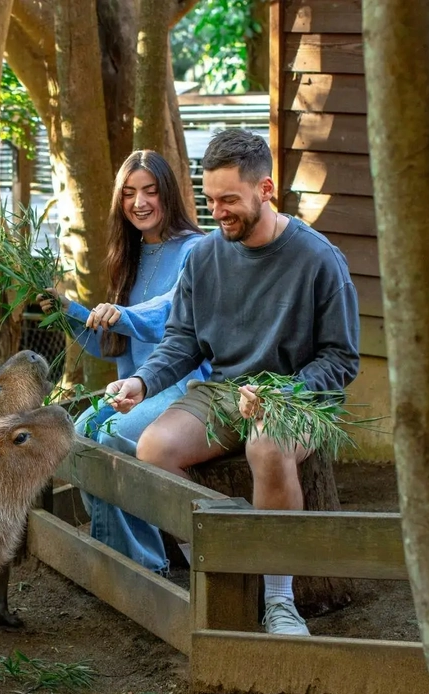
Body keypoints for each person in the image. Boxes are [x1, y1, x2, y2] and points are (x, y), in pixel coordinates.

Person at [105, 128, 360, 635]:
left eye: (229, 200)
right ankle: (221, 563)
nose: (217, 212)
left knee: (267, 449)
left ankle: (279, 601)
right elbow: (182, 342)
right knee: (153, 448)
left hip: (296, 399)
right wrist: (142, 382)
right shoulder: (203, 257)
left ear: (266, 190)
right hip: (223, 393)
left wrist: (284, 395)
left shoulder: (319, 259)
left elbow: (341, 358)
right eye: (209, 199)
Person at [41, 149, 209, 574]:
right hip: (135, 385)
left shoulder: (198, 250)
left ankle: (143, 567)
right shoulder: (129, 257)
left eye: (150, 191)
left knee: (109, 435)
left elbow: (173, 310)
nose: (140, 203)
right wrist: (69, 311)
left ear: (168, 194)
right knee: (80, 436)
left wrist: (125, 314)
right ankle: (118, 558)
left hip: (183, 387)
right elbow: (114, 344)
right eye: (130, 193)